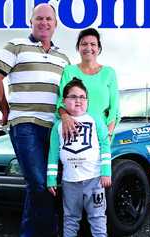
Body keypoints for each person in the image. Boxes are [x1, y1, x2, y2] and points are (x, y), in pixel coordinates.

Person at [0, 3, 70, 237]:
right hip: (25, 124)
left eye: (49, 19)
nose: (44, 23)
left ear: (56, 24)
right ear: (30, 22)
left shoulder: (63, 57)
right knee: (38, 184)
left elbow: (69, 93)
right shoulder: (15, 46)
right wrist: (5, 110)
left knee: (46, 186)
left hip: (54, 129)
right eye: (39, 18)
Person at [47, 78, 111, 237]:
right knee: (70, 218)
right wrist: (51, 179)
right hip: (70, 182)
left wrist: (106, 171)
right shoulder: (58, 126)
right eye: (73, 97)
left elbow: (105, 145)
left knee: (98, 217)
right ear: (64, 101)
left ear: (87, 101)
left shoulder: (95, 120)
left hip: (94, 180)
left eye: (82, 97)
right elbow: (53, 154)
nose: (78, 100)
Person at [57, 28, 120, 141]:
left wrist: (108, 134)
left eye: (93, 44)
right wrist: (65, 117)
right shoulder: (69, 71)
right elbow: (61, 102)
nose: (88, 48)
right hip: (73, 134)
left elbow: (114, 108)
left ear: (98, 48)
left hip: (101, 135)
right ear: (78, 48)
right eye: (84, 44)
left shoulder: (109, 73)